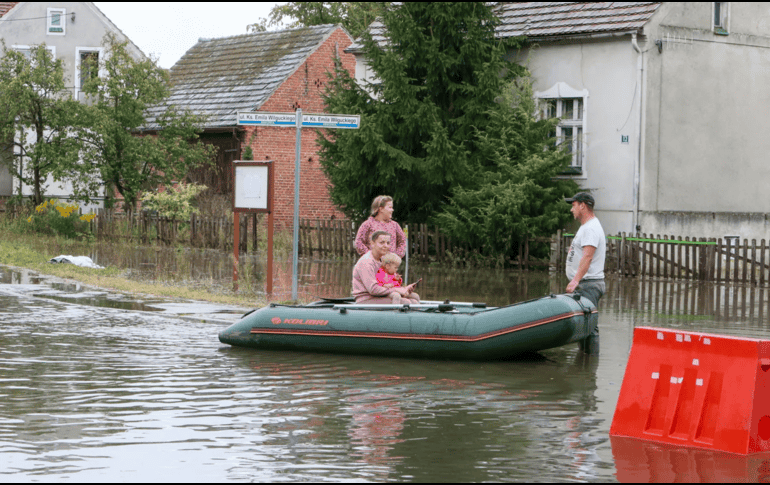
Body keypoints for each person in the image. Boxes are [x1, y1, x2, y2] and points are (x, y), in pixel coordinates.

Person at [565, 192, 605, 354]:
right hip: (586, 283)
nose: (571, 209)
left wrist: (575, 281)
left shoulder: (591, 228)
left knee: (589, 327)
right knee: (584, 326)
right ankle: (584, 364)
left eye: (573, 205)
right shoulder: (587, 227)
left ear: (583, 205)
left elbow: (588, 256)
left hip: (588, 284)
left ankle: (588, 368)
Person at [353, 231, 419, 304]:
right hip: (366, 298)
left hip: (381, 295)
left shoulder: (383, 260)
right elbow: (373, 290)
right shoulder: (366, 262)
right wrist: (396, 290)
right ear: (372, 243)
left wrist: (404, 289)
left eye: (388, 243)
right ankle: (394, 314)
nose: (386, 246)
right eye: (382, 242)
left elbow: (388, 282)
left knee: (415, 297)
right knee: (407, 302)